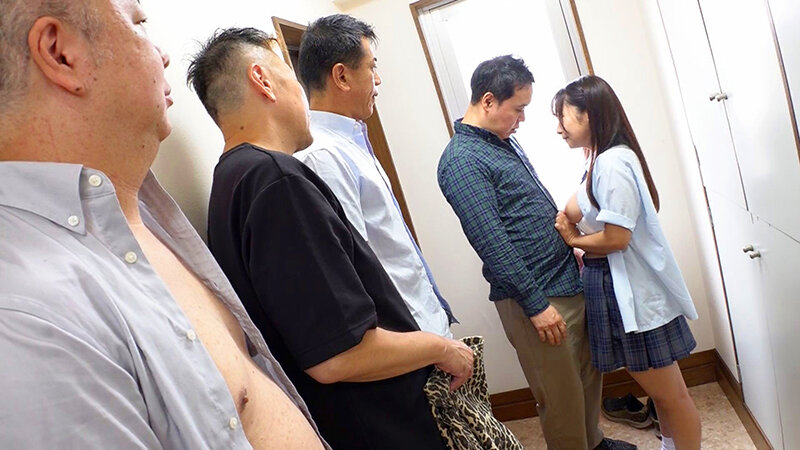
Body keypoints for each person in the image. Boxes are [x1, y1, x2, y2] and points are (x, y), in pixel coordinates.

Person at [0, 1, 326, 449]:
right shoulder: (29, 318)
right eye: (139, 25)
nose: (163, 54)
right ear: (61, 54)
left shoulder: (139, 209)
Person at [188, 27, 474, 450]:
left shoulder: (233, 179)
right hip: (378, 425)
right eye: (289, 73)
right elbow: (336, 355)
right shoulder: (276, 179)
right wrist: (441, 348)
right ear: (262, 80)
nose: (302, 91)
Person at [438, 55, 634, 450]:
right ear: (488, 101)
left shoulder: (502, 142)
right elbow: (491, 241)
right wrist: (535, 305)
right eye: (518, 108)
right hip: (537, 297)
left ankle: (594, 443)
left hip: (564, 279)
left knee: (585, 378)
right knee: (560, 396)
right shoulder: (461, 160)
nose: (523, 119)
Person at [553, 74, 701, 450]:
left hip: (632, 293)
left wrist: (574, 240)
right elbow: (575, 208)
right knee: (663, 395)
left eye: (563, 117)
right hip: (621, 290)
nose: (559, 129)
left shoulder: (612, 163)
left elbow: (617, 239)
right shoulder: (600, 160)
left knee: (673, 396)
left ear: (588, 115)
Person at [294, 14, 455, 338]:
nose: (378, 80)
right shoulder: (323, 156)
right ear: (342, 76)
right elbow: (355, 270)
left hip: (424, 322)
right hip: (408, 335)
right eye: (372, 67)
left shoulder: (351, 141)